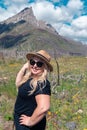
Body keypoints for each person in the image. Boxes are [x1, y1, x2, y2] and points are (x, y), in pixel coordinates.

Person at [13, 50, 53, 130]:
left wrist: (30, 121)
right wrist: (24, 68)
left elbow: (44, 107)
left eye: (39, 64)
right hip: (21, 122)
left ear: (45, 67)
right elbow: (18, 83)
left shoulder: (42, 83)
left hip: (29, 126)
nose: (35, 65)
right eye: (32, 62)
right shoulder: (31, 78)